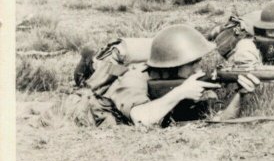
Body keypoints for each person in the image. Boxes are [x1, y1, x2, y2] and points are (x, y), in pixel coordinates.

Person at [64, 24, 261, 127]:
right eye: (192, 65)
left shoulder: (188, 83)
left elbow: (218, 122)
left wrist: (241, 94)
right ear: (170, 67)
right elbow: (141, 119)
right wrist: (181, 92)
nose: (198, 70)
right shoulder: (133, 78)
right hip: (70, 114)